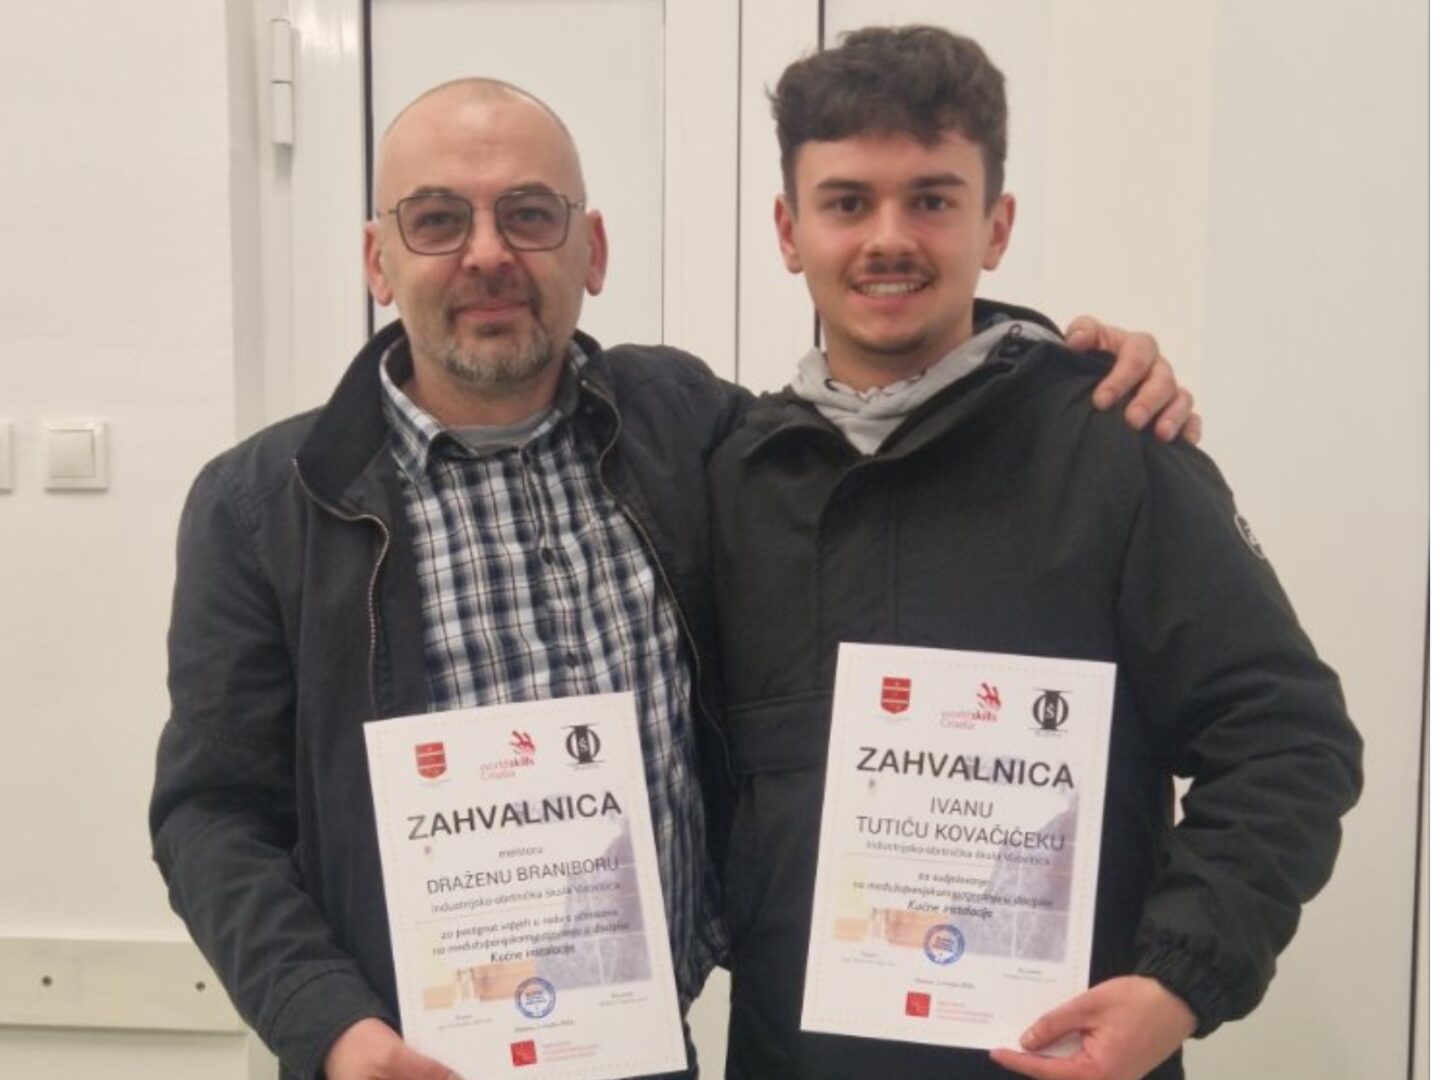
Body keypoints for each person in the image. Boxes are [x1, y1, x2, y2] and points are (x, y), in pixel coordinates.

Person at [149, 77, 1192, 1080]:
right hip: (409, 1063)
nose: (487, 254)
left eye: (530, 214)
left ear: (593, 250)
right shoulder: (263, 508)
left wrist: (1056, 371)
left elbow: (883, 415)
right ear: (378, 260)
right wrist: (328, 1025)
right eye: (435, 220)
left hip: (653, 1052)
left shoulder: (686, 428)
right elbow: (211, 815)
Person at [707, 25, 1362, 1080]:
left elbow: (1288, 738)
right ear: (789, 231)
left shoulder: (1115, 447)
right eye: (847, 202)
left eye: (932, 199)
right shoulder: (736, 476)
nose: (889, 238)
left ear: (996, 225)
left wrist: (1177, 984)